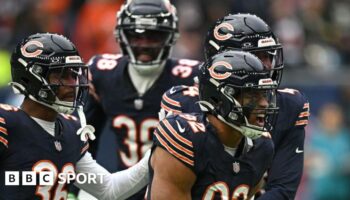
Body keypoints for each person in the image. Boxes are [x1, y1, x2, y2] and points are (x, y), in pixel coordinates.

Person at [159, 13, 310, 199]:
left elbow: (282, 189)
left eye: (268, 56)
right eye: (255, 57)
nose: (266, 66)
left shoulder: (289, 106)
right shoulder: (185, 102)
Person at [0, 33, 149, 200]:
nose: (72, 84)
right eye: (60, 75)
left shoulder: (71, 130)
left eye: (73, 75)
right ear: (31, 78)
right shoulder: (6, 124)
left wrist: (154, 155)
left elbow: (109, 189)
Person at [85, 0, 199, 198]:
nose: (144, 45)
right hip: (123, 187)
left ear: (171, 36)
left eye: (154, 36)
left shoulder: (192, 77)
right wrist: (76, 188)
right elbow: (84, 141)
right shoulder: (101, 73)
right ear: (121, 35)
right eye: (136, 36)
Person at [149, 50, 279, 199]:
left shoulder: (262, 146)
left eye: (264, 94)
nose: (264, 103)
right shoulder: (185, 138)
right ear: (219, 100)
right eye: (251, 95)